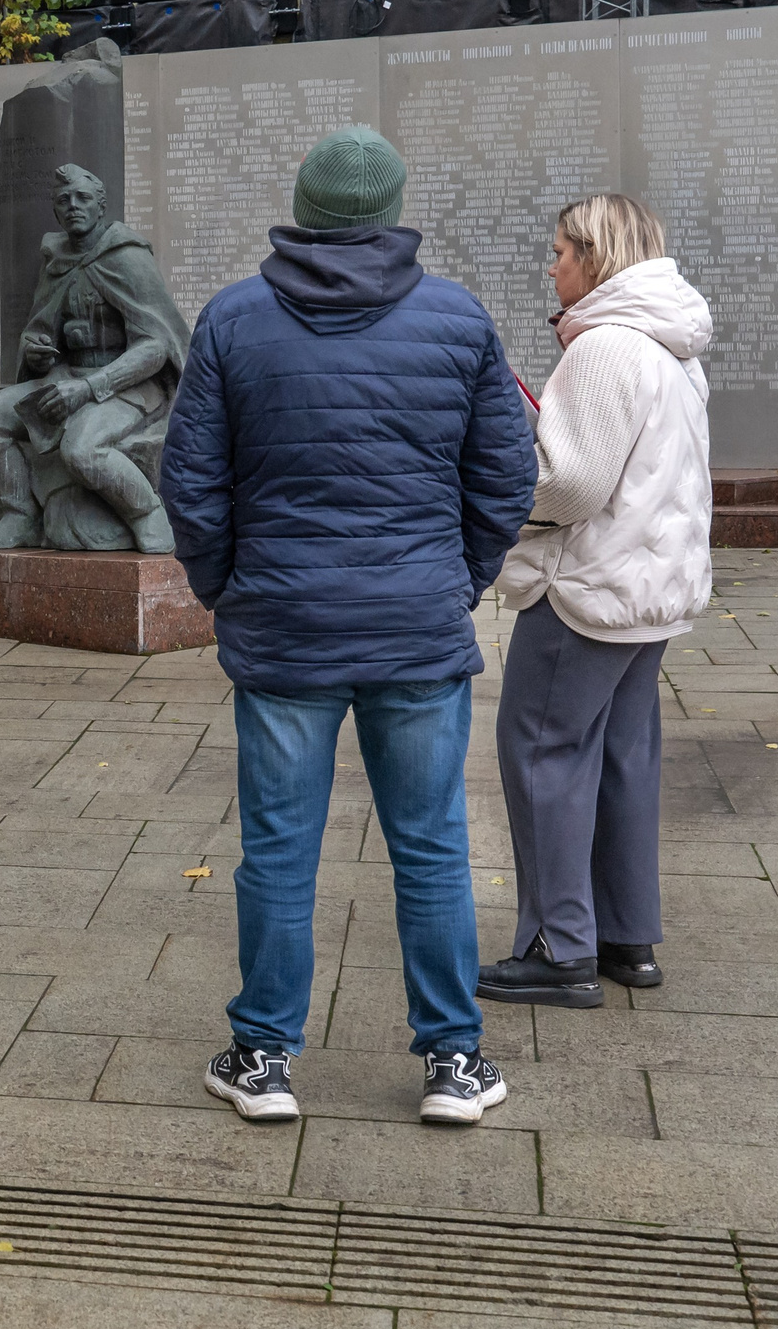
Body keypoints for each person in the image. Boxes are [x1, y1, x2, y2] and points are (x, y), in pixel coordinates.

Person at [160, 125, 535, 1127]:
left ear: (304, 208)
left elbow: (191, 479)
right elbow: (506, 472)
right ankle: (454, 1057)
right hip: (415, 622)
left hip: (283, 624)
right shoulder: (457, 319)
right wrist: (458, 578)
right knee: (431, 843)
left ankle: (262, 1055)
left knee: (278, 845)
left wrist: (224, 586)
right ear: (391, 212)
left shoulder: (235, 320)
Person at [478, 195, 712, 1010]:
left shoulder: (605, 348)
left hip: (587, 593)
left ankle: (557, 948)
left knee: (541, 749)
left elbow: (571, 485)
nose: (551, 267)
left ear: (596, 256)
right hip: (650, 593)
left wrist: (498, 485)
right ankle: (624, 937)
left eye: (559, 253)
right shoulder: (671, 347)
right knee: (623, 756)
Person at [0, 163, 191, 554]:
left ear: (100, 206)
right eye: (63, 201)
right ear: (56, 211)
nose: (73, 206)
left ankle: (146, 512)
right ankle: (20, 514)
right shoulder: (56, 260)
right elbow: (42, 326)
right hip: (66, 376)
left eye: (83, 198)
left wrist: (89, 387)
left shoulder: (127, 257)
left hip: (128, 386)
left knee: (81, 450)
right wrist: (36, 350)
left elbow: (155, 344)